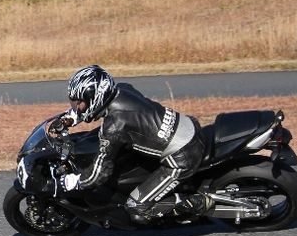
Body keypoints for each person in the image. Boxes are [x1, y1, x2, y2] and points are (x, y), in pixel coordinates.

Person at [55, 65, 214, 223]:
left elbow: (99, 174)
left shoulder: (115, 127)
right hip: (188, 127)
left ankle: (197, 202)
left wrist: (73, 181)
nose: (77, 107)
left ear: (95, 97)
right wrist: (70, 118)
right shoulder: (123, 89)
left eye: (80, 103)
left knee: (136, 207)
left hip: (183, 156)